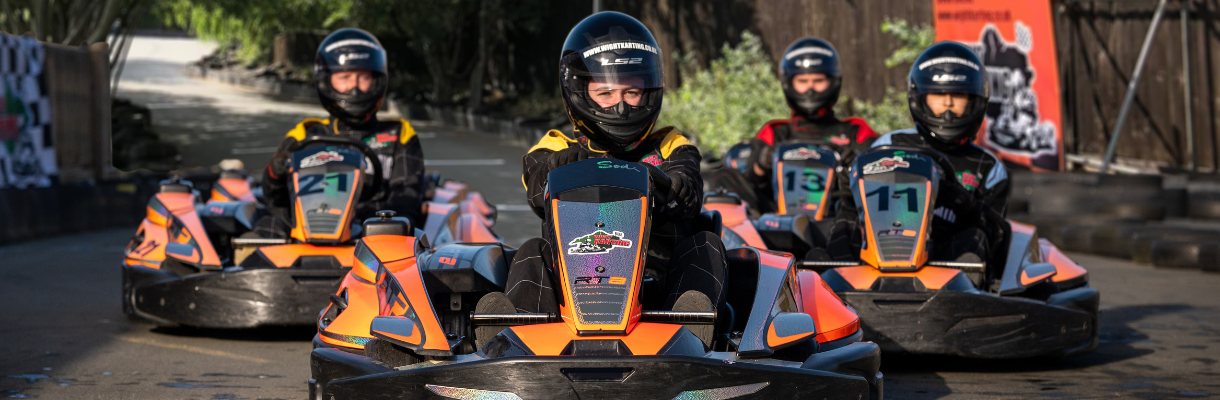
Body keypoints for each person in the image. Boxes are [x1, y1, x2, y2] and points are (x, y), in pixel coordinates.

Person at [475, 11, 725, 347]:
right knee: (531, 251)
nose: (621, 107)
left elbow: (690, 187)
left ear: (650, 91)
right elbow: (536, 190)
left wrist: (675, 183)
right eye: (606, 93)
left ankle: (692, 334)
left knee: (706, 244)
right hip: (570, 287)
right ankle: (516, 338)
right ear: (578, 91)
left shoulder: (671, 145)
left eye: (632, 92)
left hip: (657, 287)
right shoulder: (555, 146)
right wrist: (557, 167)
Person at [828, 41, 1010, 284]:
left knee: (974, 238)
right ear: (920, 99)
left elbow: (997, 240)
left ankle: (965, 300)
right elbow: (851, 201)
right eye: (938, 95)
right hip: (873, 256)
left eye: (958, 96)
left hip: (944, 267)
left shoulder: (988, 167)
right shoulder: (887, 144)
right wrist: (846, 177)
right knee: (843, 226)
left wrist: (964, 204)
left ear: (976, 101)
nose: (947, 104)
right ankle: (828, 288)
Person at [254, 28, 425, 238]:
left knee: (403, 227)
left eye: (363, 78)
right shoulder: (305, 135)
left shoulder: (399, 135)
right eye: (344, 78)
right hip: (308, 228)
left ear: (377, 80)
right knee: (268, 224)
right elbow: (276, 198)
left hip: (371, 234)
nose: (354, 88)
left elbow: (407, 198)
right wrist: (275, 171)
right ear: (327, 81)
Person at [744, 38, 878, 214]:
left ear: (833, 82)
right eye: (802, 81)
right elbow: (749, 182)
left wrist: (855, 164)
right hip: (778, 226)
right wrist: (762, 162)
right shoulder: (775, 132)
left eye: (818, 80)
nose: (810, 89)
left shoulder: (856, 131)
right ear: (789, 84)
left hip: (840, 222)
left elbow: (880, 175)